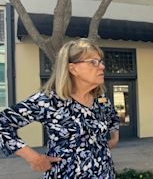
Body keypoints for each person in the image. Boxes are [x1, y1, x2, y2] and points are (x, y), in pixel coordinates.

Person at [0, 38, 120, 178]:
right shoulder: (49, 100)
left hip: (104, 173)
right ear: (72, 68)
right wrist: (33, 157)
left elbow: (113, 117)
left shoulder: (101, 99)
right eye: (93, 62)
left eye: (100, 61)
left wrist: (114, 138)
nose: (102, 67)